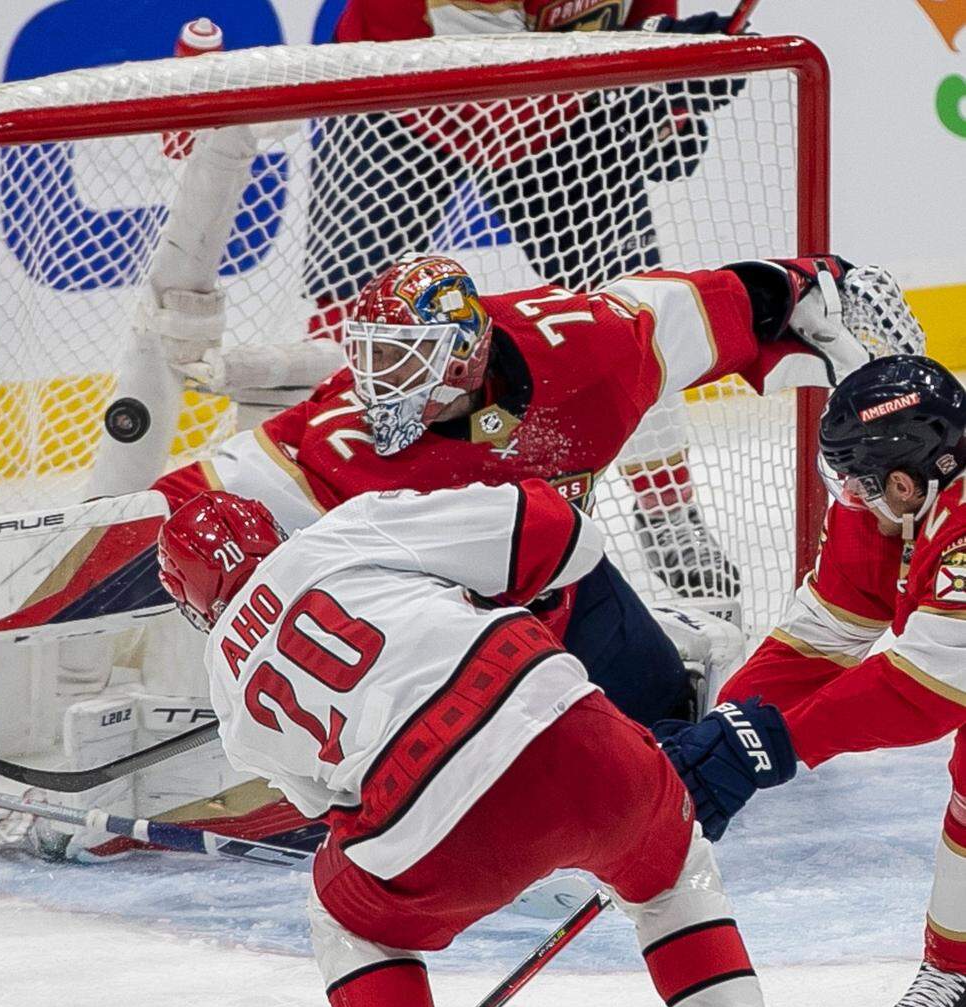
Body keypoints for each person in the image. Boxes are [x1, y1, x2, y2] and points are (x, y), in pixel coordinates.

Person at [155, 476, 795, 1007]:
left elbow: (330, 804)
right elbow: (565, 532)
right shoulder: (344, 532)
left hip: (434, 814)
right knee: (672, 871)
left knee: (346, 912)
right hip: (574, 730)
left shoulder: (230, 693)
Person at [157, 250, 869, 730]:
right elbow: (191, 503)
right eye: (371, 357)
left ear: (466, 357)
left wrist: (826, 292)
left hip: (562, 584)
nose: (378, 386)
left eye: (402, 361)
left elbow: (746, 301)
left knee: (667, 724)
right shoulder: (340, 439)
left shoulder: (593, 349)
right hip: (440, 628)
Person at [307, 1, 749, 595]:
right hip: (401, 84)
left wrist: (668, 89)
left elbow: (638, 17)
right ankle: (329, 507)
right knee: (359, 319)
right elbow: (484, 49)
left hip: (553, 104)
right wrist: (646, 48)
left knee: (632, 315)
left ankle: (669, 513)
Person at [654, 355, 966, 1007]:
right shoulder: (900, 494)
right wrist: (726, 730)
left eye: (860, 480)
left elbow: (927, 683)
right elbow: (826, 630)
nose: (850, 496)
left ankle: (954, 967)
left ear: (904, 473)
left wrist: (774, 744)